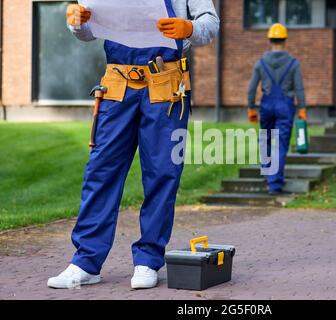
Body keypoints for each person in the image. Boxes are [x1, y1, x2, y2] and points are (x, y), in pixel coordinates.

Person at [47, 0, 219, 290]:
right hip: (117, 84)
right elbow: (88, 31)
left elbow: (209, 23)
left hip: (166, 86)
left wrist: (189, 28)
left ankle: (148, 260)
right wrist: (77, 22)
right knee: (101, 171)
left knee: (162, 174)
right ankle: (86, 262)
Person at [247, 23, 306, 195]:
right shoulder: (293, 63)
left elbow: (251, 88)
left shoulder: (260, 63)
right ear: (285, 40)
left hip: (266, 104)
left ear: (269, 39)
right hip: (285, 105)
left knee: (265, 138)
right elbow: (299, 88)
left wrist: (251, 108)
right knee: (280, 144)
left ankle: (267, 171)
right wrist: (302, 108)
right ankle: (274, 183)